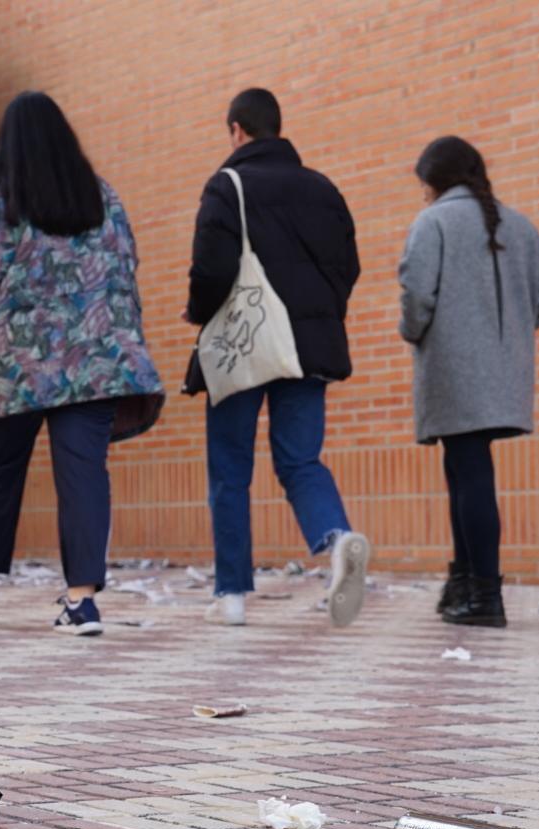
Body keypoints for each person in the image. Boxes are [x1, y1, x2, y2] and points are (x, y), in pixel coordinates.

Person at [0, 91, 164, 637]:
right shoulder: (103, 198)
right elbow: (126, 268)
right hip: (95, 362)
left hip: (12, 367)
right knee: (85, 476)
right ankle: (82, 601)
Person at [185, 87, 370, 627]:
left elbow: (211, 269)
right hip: (309, 347)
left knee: (230, 467)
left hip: (246, 343)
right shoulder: (323, 189)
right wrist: (316, 318)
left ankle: (233, 596)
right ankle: (336, 540)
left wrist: (197, 312)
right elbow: (348, 267)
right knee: (299, 459)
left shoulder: (229, 184)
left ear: (237, 130)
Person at [399, 136, 539, 627]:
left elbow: (415, 295)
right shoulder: (522, 225)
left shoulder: (433, 223)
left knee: (468, 473)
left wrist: (417, 332)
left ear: (433, 181)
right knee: (465, 470)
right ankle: (465, 581)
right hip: (501, 369)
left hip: (452, 367)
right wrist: (508, 335)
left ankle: (485, 594)